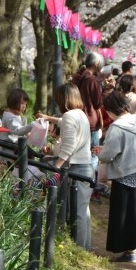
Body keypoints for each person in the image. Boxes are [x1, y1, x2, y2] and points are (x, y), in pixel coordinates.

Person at [95, 92, 136, 263]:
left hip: (126, 175)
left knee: (127, 214)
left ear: (110, 110)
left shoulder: (116, 128)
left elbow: (108, 154)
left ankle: (129, 252)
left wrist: (100, 153)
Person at [53, 82, 95, 250]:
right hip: (86, 166)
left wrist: (56, 166)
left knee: (78, 212)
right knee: (83, 211)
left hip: (77, 168)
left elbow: (69, 145)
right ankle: (84, 247)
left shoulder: (70, 116)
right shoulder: (80, 114)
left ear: (62, 99)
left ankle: (78, 249)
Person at [70, 52, 105, 178]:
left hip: (79, 117)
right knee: (94, 154)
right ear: (96, 64)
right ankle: (91, 183)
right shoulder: (91, 80)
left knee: (81, 152)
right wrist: (104, 92)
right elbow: (97, 103)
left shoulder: (78, 77)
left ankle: (81, 180)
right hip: (91, 120)